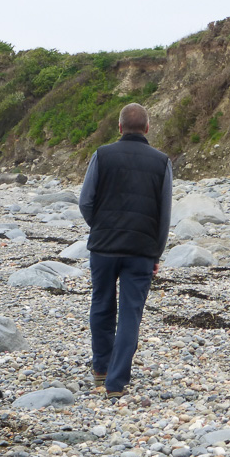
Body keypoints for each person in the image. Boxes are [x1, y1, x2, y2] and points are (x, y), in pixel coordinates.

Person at [78, 103, 172, 399]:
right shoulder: (162, 161)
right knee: (130, 313)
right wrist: (156, 253)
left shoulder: (101, 155)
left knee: (101, 305)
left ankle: (100, 368)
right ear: (147, 128)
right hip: (141, 251)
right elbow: (164, 213)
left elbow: (85, 201)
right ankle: (115, 384)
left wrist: (101, 225)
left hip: (104, 248)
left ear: (119, 128)